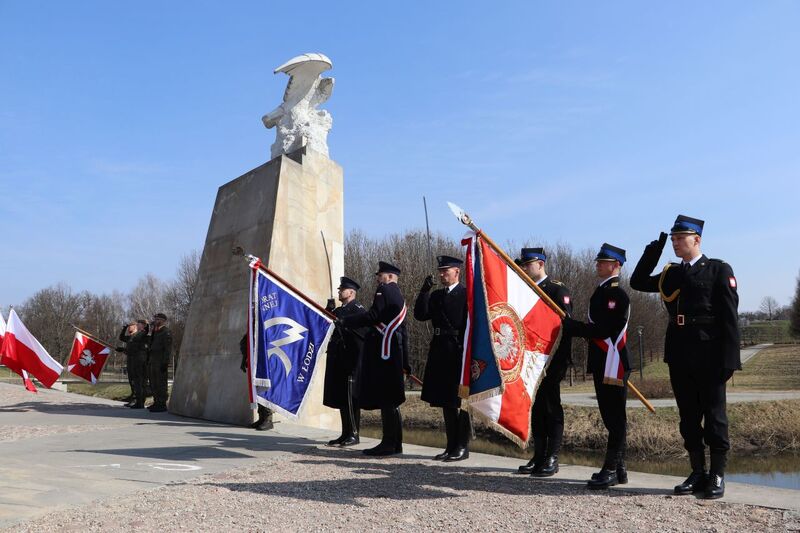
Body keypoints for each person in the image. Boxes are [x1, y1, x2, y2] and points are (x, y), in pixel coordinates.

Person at [630, 215, 740, 499]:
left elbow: (729, 319)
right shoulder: (671, 273)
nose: (676, 243)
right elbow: (639, 281)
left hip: (710, 354)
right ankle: (697, 472)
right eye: (674, 239)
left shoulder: (717, 269)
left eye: (681, 238)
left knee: (715, 416)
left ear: (697, 239)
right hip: (679, 353)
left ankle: (716, 474)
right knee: (688, 417)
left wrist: (730, 360)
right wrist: (652, 252)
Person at [561, 243, 631, 489]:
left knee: (615, 418)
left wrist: (576, 328)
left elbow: (606, 330)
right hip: (603, 361)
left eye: (603, 262)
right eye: (598, 261)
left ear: (616, 265)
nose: (598, 265)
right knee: (610, 416)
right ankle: (619, 468)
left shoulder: (617, 295)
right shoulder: (600, 292)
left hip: (614, 362)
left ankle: (611, 468)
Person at [339, 261, 408, 456]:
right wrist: (407, 361)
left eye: (380, 275)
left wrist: (347, 321)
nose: (378, 278)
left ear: (388, 277)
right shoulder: (399, 295)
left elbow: (374, 316)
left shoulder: (383, 290)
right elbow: (404, 331)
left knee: (386, 398)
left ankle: (388, 442)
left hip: (384, 350)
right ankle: (396, 443)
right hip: (396, 349)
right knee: (393, 399)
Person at [515, 248, 573, 477]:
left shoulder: (557, 290)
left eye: (528, 264)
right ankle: (538, 455)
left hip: (552, 360)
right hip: (531, 360)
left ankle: (552, 456)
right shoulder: (524, 291)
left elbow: (565, 327)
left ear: (540, 264)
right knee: (536, 408)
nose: (525, 269)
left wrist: (560, 360)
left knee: (551, 407)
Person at [414, 255, 470, 461]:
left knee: (460, 401)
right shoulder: (436, 295)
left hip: (458, 351)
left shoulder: (466, 294)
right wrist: (424, 291)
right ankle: (450, 446)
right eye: (440, 271)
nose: (441, 274)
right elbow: (420, 315)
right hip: (439, 350)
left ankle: (462, 446)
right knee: (446, 401)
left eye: (445, 270)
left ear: (457, 272)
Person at [323, 277, 369, 446]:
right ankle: (345, 433)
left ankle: (354, 434)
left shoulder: (358, 310)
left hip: (351, 360)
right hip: (339, 359)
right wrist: (327, 312)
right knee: (342, 398)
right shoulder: (340, 310)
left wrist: (356, 360)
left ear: (351, 292)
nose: (339, 292)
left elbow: (362, 335)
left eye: (342, 289)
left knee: (351, 398)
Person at [239, 333, 273, 430]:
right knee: (257, 390)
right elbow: (245, 342)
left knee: (265, 389)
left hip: (267, 361)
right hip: (257, 360)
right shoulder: (254, 325)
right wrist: (245, 358)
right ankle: (262, 418)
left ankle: (268, 419)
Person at [118, 320, 149, 409]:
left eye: (130, 326)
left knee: (139, 382)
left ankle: (139, 401)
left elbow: (146, 331)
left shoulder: (141, 335)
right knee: (133, 381)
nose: (129, 328)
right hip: (132, 360)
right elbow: (122, 338)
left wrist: (145, 325)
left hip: (139, 361)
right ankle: (135, 400)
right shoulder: (132, 337)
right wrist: (123, 349)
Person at [147, 312, 173, 413]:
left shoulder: (166, 332)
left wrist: (165, 362)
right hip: (152, 361)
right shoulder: (155, 332)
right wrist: (150, 333)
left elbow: (167, 349)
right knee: (153, 383)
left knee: (161, 383)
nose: (155, 321)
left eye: (158, 319)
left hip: (160, 362)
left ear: (163, 321)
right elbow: (150, 346)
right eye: (155, 319)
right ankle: (156, 401)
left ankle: (162, 403)